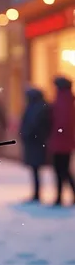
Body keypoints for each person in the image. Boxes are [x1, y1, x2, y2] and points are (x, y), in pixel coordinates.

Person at [20, 88, 51, 202]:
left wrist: (29, 134)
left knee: (36, 169)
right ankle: (36, 193)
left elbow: (36, 125)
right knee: (35, 169)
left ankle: (37, 194)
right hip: (35, 142)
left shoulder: (37, 107)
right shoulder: (37, 106)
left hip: (35, 142)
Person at [49, 76, 75, 206]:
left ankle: (59, 197)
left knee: (61, 170)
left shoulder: (63, 99)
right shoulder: (67, 98)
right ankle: (60, 196)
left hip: (62, 142)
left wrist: (57, 133)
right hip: (64, 141)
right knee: (63, 170)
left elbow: (62, 122)